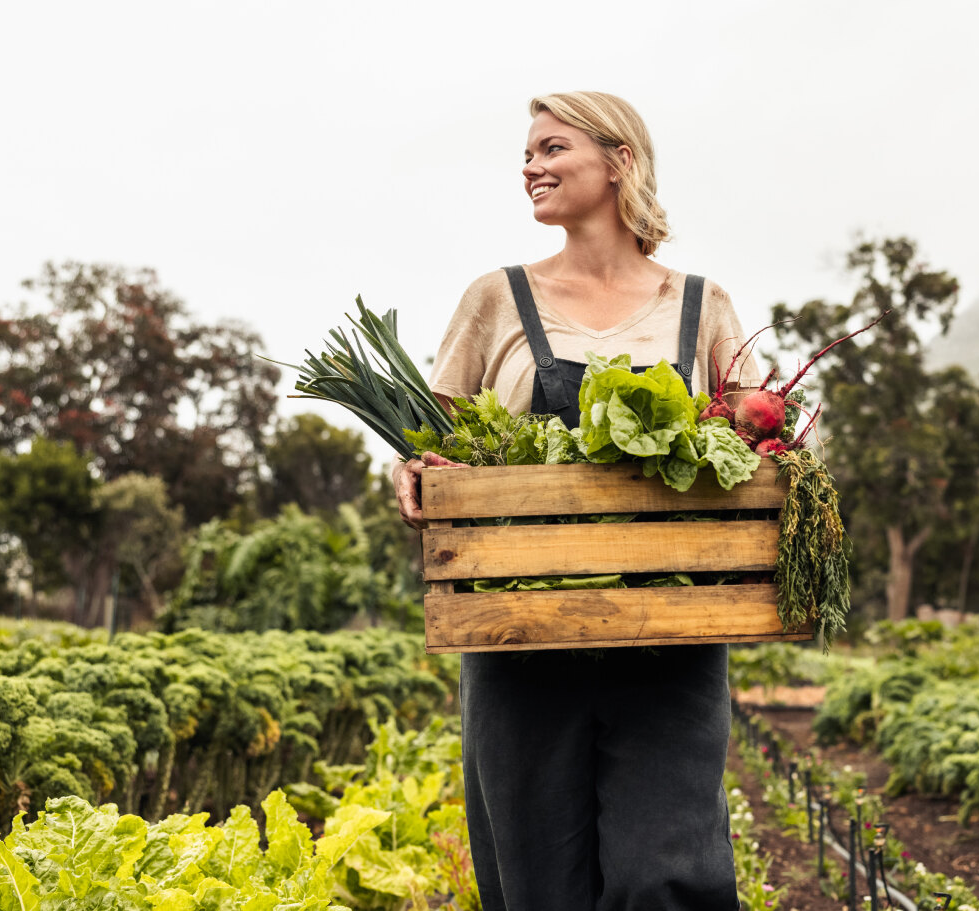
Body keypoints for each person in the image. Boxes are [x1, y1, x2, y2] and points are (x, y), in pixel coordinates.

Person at [393, 91, 760, 911]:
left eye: (552, 149)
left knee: (667, 875)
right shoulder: (496, 300)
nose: (531, 167)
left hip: (673, 637)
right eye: (528, 153)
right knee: (536, 885)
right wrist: (415, 468)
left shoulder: (701, 306)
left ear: (618, 160)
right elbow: (438, 441)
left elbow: (756, 445)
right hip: (521, 634)